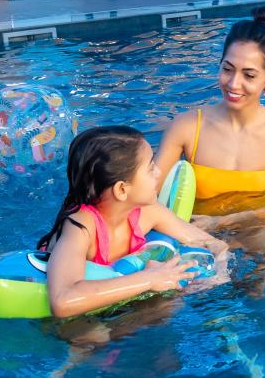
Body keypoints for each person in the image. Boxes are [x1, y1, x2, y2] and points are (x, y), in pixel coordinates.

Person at [39, 125, 229, 319]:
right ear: (122, 190)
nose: (158, 172)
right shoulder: (80, 226)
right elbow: (63, 301)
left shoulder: (148, 212)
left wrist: (215, 276)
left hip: (124, 296)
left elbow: (214, 245)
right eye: (150, 168)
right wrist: (149, 279)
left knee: (168, 307)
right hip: (80, 315)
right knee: (92, 336)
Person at [155, 6, 265, 214]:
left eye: (249, 75)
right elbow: (148, 194)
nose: (234, 84)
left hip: (257, 234)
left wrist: (222, 223)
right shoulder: (187, 126)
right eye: (227, 69)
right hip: (194, 236)